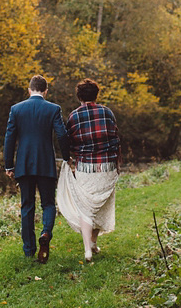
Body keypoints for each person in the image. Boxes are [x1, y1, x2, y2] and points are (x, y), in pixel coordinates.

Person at [3, 75, 71, 263]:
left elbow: (9, 138)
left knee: (27, 206)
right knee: (48, 203)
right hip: (45, 164)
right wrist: (66, 157)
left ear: (29, 90)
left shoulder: (16, 109)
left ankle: (28, 250)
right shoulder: (53, 109)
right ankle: (46, 232)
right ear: (46, 91)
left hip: (24, 164)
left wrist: (9, 165)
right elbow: (62, 135)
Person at [57, 78, 120, 263]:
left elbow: (69, 141)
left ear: (79, 97)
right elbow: (116, 139)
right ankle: (93, 242)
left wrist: (72, 158)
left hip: (85, 167)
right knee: (100, 205)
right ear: (96, 95)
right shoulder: (107, 112)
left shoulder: (74, 116)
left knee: (86, 208)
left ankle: (88, 249)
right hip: (106, 166)